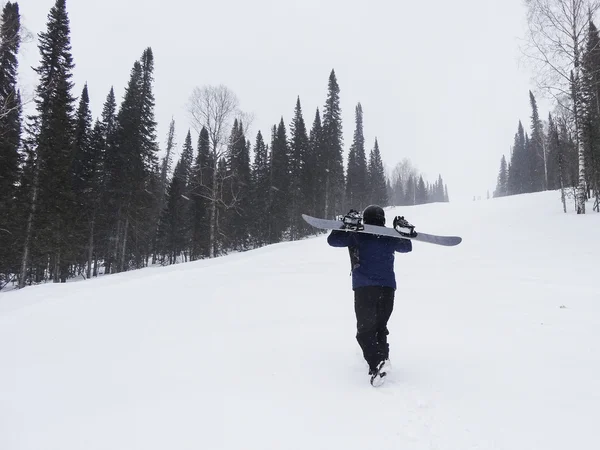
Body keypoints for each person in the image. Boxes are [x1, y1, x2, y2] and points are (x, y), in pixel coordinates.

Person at [327, 205, 412, 386]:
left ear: (365, 219)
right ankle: (379, 367)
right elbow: (407, 247)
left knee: (365, 332)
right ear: (382, 219)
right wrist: (401, 232)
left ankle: (378, 362)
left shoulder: (356, 234)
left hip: (365, 289)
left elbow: (333, 240)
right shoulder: (388, 236)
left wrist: (345, 225)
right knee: (380, 328)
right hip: (387, 290)